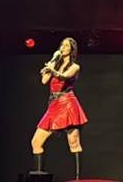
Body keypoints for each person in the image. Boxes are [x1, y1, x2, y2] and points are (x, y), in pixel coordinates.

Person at [32, 38, 88, 172]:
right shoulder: (55, 64)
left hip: (67, 103)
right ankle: (38, 177)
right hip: (53, 104)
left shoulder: (75, 67)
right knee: (36, 142)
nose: (63, 48)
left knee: (74, 142)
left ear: (72, 49)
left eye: (66, 45)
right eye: (62, 45)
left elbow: (63, 76)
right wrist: (52, 62)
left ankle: (78, 179)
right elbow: (44, 81)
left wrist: (51, 70)